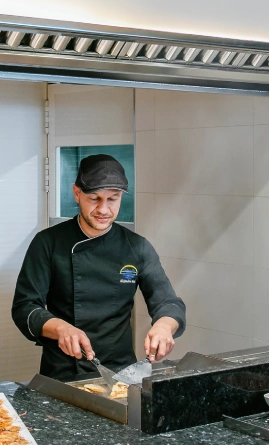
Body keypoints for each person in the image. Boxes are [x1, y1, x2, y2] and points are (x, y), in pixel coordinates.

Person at [11, 154, 186, 381]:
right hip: (64, 371)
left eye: (112, 199)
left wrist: (164, 327)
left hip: (122, 373)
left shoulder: (137, 247)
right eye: (94, 198)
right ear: (77, 194)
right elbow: (25, 307)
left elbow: (169, 303)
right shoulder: (48, 243)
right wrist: (61, 328)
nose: (104, 209)